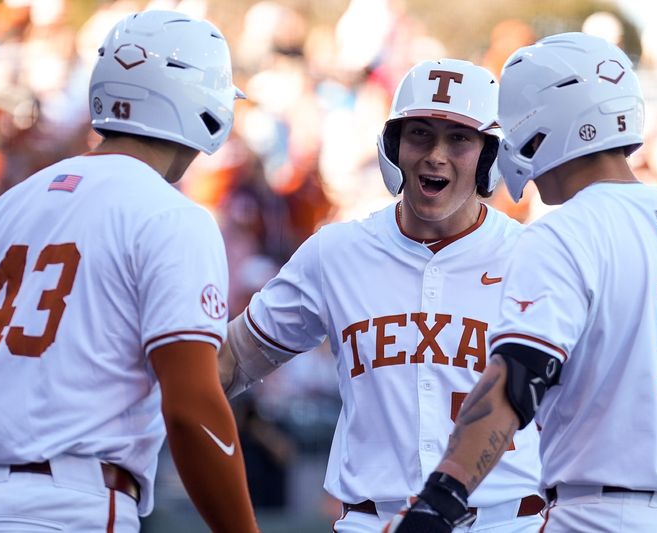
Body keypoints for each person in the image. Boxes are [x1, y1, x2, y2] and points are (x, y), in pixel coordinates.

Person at [387, 32, 657, 533]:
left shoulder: (562, 234)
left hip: (600, 514)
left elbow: (517, 380)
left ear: (542, 121)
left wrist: (441, 497)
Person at [219, 58, 545, 532]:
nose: (436, 154)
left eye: (458, 139)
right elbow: (231, 360)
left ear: (490, 155)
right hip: (374, 521)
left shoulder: (536, 257)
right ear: (392, 147)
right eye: (419, 134)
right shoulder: (337, 252)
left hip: (506, 521)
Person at [0, 10, 258, 533]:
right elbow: (192, 409)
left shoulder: (2, 210)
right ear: (206, 103)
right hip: (70, 507)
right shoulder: (172, 216)